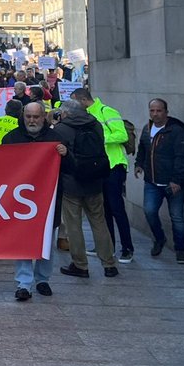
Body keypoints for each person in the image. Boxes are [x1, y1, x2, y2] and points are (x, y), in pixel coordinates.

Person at [2, 102, 69, 301]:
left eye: (36, 117)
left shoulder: (56, 139)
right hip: (20, 200)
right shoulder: (11, 138)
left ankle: (42, 280)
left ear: (43, 117)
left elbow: (71, 169)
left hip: (48, 201)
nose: (32, 120)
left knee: (46, 242)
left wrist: (66, 155)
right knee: (22, 241)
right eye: (28, 116)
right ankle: (23, 283)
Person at [54, 100, 119, 280]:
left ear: (65, 113)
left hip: (72, 183)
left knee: (73, 225)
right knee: (99, 222)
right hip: (95, 180)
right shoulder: (95, 124)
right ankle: (109, 264)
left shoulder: (61, 129)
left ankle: (80, 264)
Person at [72, 87, 135, 262]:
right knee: (103, 209)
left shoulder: (106, 111)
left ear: (82, 100)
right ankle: (108, 246)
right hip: (98, 167)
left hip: (114, 165)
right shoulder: (86, 115)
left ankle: (127, 248)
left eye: (75, 102)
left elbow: (121, 135)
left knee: (116, 208)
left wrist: (98, 138)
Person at [135, 98, 184, 263]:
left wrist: (176, 180)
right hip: (152, 181)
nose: (155, 114)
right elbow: (143, 149)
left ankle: (181, 250)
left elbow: (182, 156)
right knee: (150, 211)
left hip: (172, 182)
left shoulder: (176, 130)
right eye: (152, 111)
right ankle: (159, 238)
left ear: (166, 112)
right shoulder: (147, 129)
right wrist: (139, 164)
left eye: (159, 111)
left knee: (177, 217)